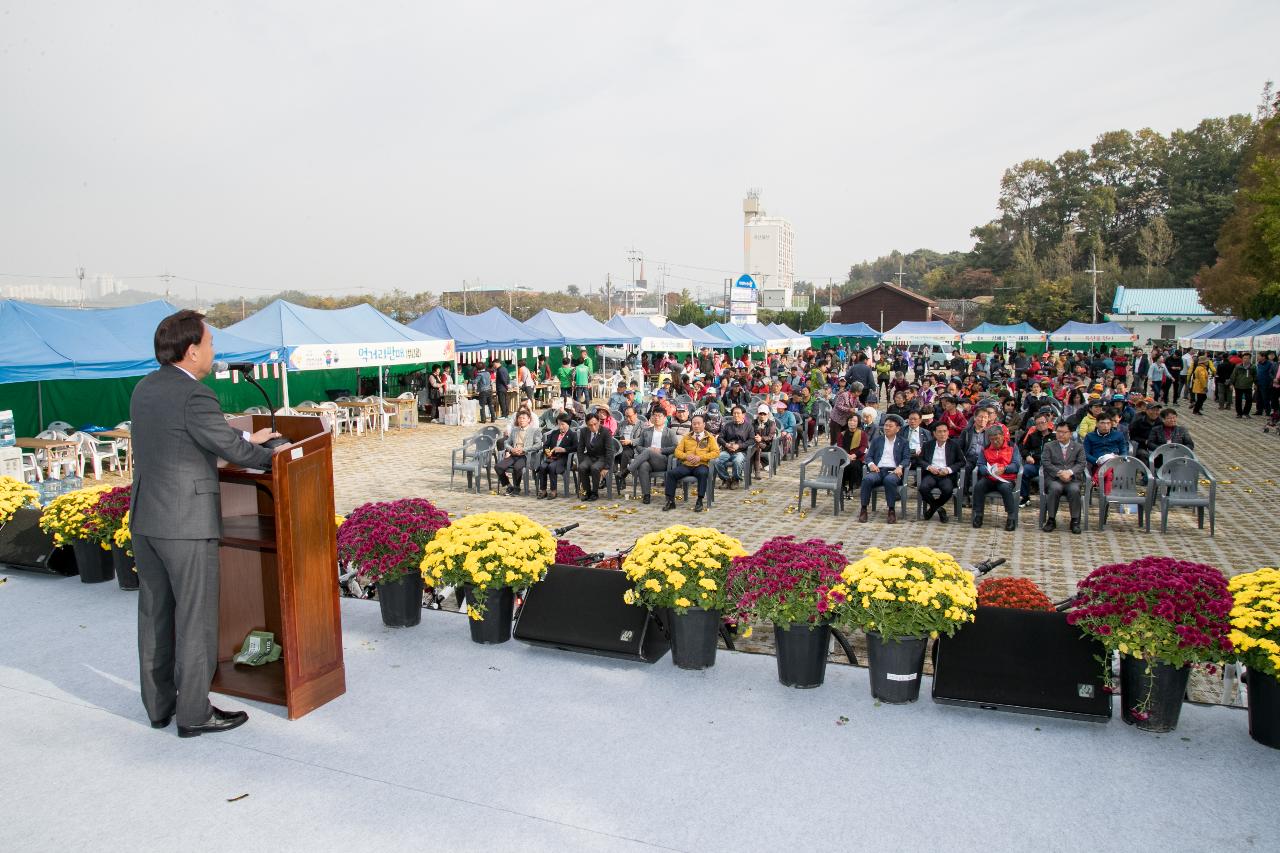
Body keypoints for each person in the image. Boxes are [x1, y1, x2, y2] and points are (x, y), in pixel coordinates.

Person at [130, 309, 283, 737]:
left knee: (155, 615)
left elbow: (186, 441)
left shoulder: (145, 388)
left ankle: (159, 707)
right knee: (196, 620)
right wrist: (275, 453)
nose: (215, 351)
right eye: (211, 343)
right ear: (192, 349)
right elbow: (233, 452)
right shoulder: (195, 394)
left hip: (148, 519)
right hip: (186, 525)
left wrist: (242, 438)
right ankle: (194, 712)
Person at [858, 414, 909, 524]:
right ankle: (863, 509)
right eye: (885, 425)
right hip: (878, 470)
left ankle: (891, 510)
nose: (887, 428)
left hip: (893, 471)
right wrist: (871, 464)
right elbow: (868, 456)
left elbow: (906, 458)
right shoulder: (878, 440)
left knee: (889, 480)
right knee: (867, 479)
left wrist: (900, 467)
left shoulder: (903, 442)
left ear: (898, 428)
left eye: (890, 426)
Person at [663, 414, 718, 512]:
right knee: (671, 474)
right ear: (691, 425)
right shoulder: (687, 437)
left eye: (698, 424)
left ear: (704, 424)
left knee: (702, 473)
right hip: (687, 465)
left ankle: (699, 500)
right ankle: (670, 501)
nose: (696, 426)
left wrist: (700, 457)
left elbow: (716, 452)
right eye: (694, 424)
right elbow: (677, 452)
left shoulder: (709, 438)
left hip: (701, 464)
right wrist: (686, 456)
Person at [971, 425, 1021, 531]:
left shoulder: (1012, 447)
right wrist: (988, 471)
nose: (995, 442)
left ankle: (1011, 518)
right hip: (990, 477)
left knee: (1005, 488)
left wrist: (1005, 468)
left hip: (1006, 478)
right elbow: (980, 464)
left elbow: (1016, 465)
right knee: (979, 486)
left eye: (997, 438)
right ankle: (978, 515)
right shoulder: (985, 448)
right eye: (992, 439)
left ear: (1003, 436)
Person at [1041, 422, 1085, 534]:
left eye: (1063, 432)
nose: (1060, 435)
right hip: (1055, 478)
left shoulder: (1078, 447)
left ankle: (1075, 521)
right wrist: (1060, 473)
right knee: (1055, 488)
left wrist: (1069, 472)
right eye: (1058, 432)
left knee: (1074, 490)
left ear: (1070, 434)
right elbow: (1046, 462)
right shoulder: (1049, 446)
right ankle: (1051, 520)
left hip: (1072, 479)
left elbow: (1081, 464)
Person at [918, 421, 964, 523]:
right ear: (934, 433)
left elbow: (962, 461)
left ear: (948, 432)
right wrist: (929, 467)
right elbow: (919, 460)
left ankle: (932, 508)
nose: (942, 434)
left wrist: (948, 469)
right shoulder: (928, 445)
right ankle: (939, 509)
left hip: (946, 475)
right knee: (923, 488)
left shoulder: (954, 445)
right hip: (931, 473)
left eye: (945, 431)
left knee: (947, 490)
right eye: (939, 432)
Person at [629, 409, 678, 504]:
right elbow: (638, 446)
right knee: (643, 465)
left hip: (662, 460)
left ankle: (628, 470)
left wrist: (660, 450)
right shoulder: (646, 431)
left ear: (665, 418)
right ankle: (646, 495)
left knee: (648, 450)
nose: (656, 418)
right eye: (654, 415)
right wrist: (649, 450)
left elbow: (675, 447)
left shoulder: (670, 432)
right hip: (648, 460)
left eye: (659, 416)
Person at [496, 410, 542, 495]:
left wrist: (524, 449)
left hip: (526, 456)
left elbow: (538, 445)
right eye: (519, 418)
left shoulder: (535, 431)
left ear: (529, 420)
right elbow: (506, 442)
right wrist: (511, 449)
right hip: (514, 454)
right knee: (498, 467)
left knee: (517, 467)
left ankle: (517, 487)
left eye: (524, 418)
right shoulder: (515, 430)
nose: (521, 420)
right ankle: (509, 485)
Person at [536, 414, 577, 499]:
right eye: (559, 424)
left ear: (568, 424)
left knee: (551, 467)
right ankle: (543, 490)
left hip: (564, 459)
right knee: (542, 467)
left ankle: (553, 490)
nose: (561, 426)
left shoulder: (573, 434)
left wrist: (564, 449)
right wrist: (547, 452)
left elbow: (576, 447)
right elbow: (546, 445)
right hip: (552, 458)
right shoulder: (554, 433)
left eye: (563, 424)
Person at [576, 413, 611, 501]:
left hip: (602, 457)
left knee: (595, 468)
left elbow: (610, 451)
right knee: (582, 467)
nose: (593, 427)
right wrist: (581, 461)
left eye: (595, 424)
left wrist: (607, 467)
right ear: (587, 425)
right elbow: (580, 449)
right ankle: (587, 492)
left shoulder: (606, 431)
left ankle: (594, 492)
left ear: (599, 422)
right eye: (590, 425)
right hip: (590, 456)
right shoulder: (584, 431)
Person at [716, 405, 753, 488]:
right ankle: (726, 479)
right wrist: (726, 444)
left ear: (743, 415)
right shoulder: (727, 425)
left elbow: (751, 440)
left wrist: (739, 446)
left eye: (738, 413)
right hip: (727, 450)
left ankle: (736, 479)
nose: (736, 415)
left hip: (741, 451)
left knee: (737, 461)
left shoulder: (749, 427)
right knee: (716, 460)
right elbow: (720, 438)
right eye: (734, 413)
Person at [751, 403, 778, 475]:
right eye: (760, 414)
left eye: (764, 414)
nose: (762, 416)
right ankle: (757, 471)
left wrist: (761, 438)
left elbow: (770, 436)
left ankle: (752, 467)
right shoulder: (754, 422)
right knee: (757, 447)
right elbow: (750, 433)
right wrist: (755, 437)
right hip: (756, 443)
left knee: (755, 446)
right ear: (758, 414)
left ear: (768, 414)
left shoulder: (771, 423)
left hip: (767, 445)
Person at [1230, 354, 1255, 418]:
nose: (1246, 360)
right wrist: (1231, 384)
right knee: (1238, 400)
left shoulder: (1253, 367)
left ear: (1250, 359)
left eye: (1247, 358)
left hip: (1248, 386)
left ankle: (1246, 413)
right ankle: (1239, 413)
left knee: (1249, 400)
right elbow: (1233, 375)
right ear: (1242, 359)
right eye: (1244, 358)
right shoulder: (1238, 366)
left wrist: (1256, 384)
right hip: (1238, 386)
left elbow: (1255, 376)